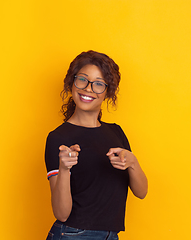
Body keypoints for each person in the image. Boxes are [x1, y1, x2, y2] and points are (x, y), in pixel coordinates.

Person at [44, 50, 148, 240]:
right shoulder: (58, 138)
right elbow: (61, 213)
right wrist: (64, 169)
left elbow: (141, 192)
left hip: (110, 236)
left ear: (108, 92)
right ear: (71, 83)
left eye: (99, 84)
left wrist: (133, 163)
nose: (88, 88)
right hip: (72, 234)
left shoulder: (116, 132)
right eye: (82, 79)